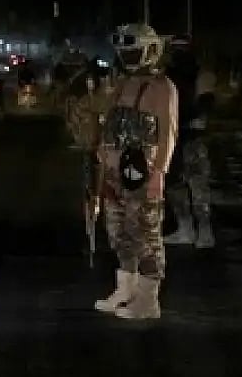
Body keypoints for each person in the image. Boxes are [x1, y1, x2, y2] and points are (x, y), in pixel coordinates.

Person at [94, 23, 179, 320]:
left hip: (142, 172)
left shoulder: (162, 87)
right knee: (119, 233)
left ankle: (147, 300)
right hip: (116, 170)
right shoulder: (122, 83)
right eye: (124, 50)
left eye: (133, 50)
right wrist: (103, 158)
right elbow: (110, 123)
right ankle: (126, 289)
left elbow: (168, 132)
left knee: (145, 235)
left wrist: (159, 173)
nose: (128, 56)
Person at [163, 36, 216, 248]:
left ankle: (201, 231)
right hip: (179, 135)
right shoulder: (172, 76)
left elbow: (206, 103)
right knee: (178, 184)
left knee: (194, 185)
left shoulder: (199, 75)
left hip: (189, 135)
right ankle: (189, 229)